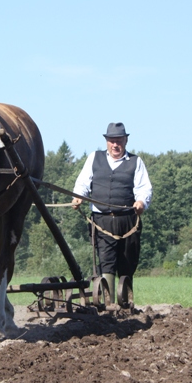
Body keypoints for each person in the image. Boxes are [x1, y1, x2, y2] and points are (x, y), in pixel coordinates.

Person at [71, 122, 152, 306]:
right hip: (101, 221)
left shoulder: (135, 162)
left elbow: (144, 188)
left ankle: (126, 303)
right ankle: (108, 305)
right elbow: (83, 183)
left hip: (128, 221)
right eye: (112, 141)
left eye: (119, 141)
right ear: (106, 141)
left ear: (126, 140)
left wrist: (141, 202)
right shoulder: (94, 158)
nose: (115, 145)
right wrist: (78, 197)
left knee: (127, 262)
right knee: (106, 262)